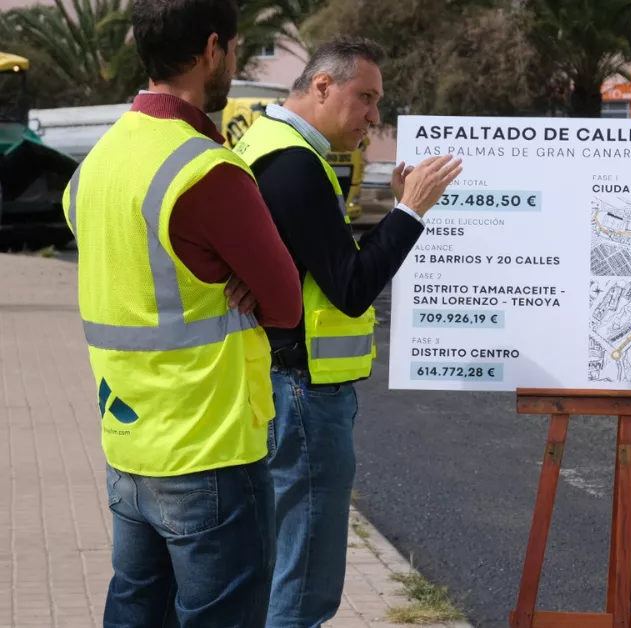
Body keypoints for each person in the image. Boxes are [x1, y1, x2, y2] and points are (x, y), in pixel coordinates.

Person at [62, 0, 304, 625]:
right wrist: (241, 280)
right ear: (212, 49)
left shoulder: (96, 165)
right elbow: (283, 304)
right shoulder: (207, 170)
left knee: (135, 612)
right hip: (209, 454)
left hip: (128, 447)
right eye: (234, 50)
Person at [230, 36, 462, 626]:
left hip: (279, 384)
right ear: (322, 86)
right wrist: (409, 212)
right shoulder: (294, 165)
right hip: (304, 393)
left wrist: (389, 204)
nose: (374, 116)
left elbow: (309, 259)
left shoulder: (264, 143)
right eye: (365, 98)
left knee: (279, 566)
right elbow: (352, 285)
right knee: (304, 586)